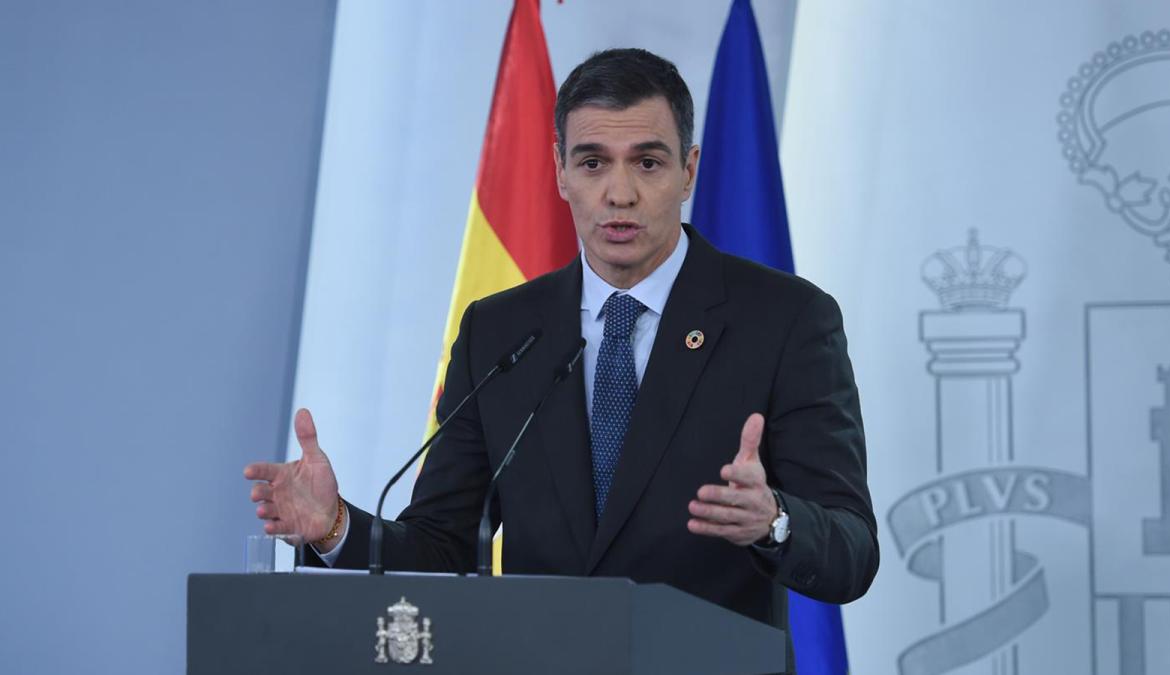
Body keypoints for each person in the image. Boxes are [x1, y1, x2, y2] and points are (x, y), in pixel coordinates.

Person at [245, 46, 877, 644]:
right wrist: (335, 527)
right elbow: (442, 546)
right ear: (560, 172)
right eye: (593, 161)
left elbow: (852, 551)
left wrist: (774, 523)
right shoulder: (499, 330)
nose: (619, 193)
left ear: (688, 171)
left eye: (648, 162)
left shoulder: (786, 320)